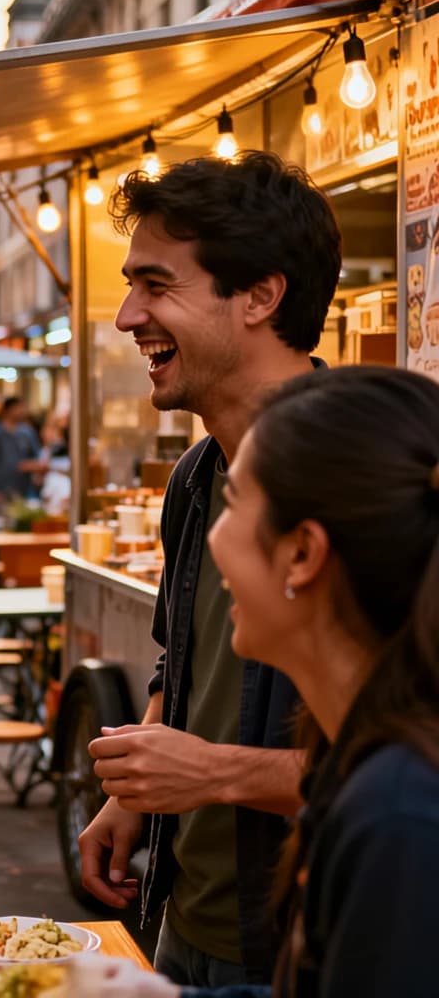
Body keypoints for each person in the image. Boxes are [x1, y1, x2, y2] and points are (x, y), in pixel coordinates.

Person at [85, 365, 439, 998]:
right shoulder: (368, 756)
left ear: (302, 554)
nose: (214, 537)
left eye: (238, 504)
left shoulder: (397, 811)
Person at [78, 152, 341, 987]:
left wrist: (216, 773)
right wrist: (136, 792)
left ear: (261, 296)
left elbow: (412, 763)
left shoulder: (365, 481)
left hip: (305, 947)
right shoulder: (195, 479)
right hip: (182, 921)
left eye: (156, 286)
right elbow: (180, 659)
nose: (126, 316)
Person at [0, 396, 41, 506]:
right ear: (7, 410)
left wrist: (34, 469)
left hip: (23, 487)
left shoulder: (27, 432)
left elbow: (36, 456)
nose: (22, 411)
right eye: (18, 408)